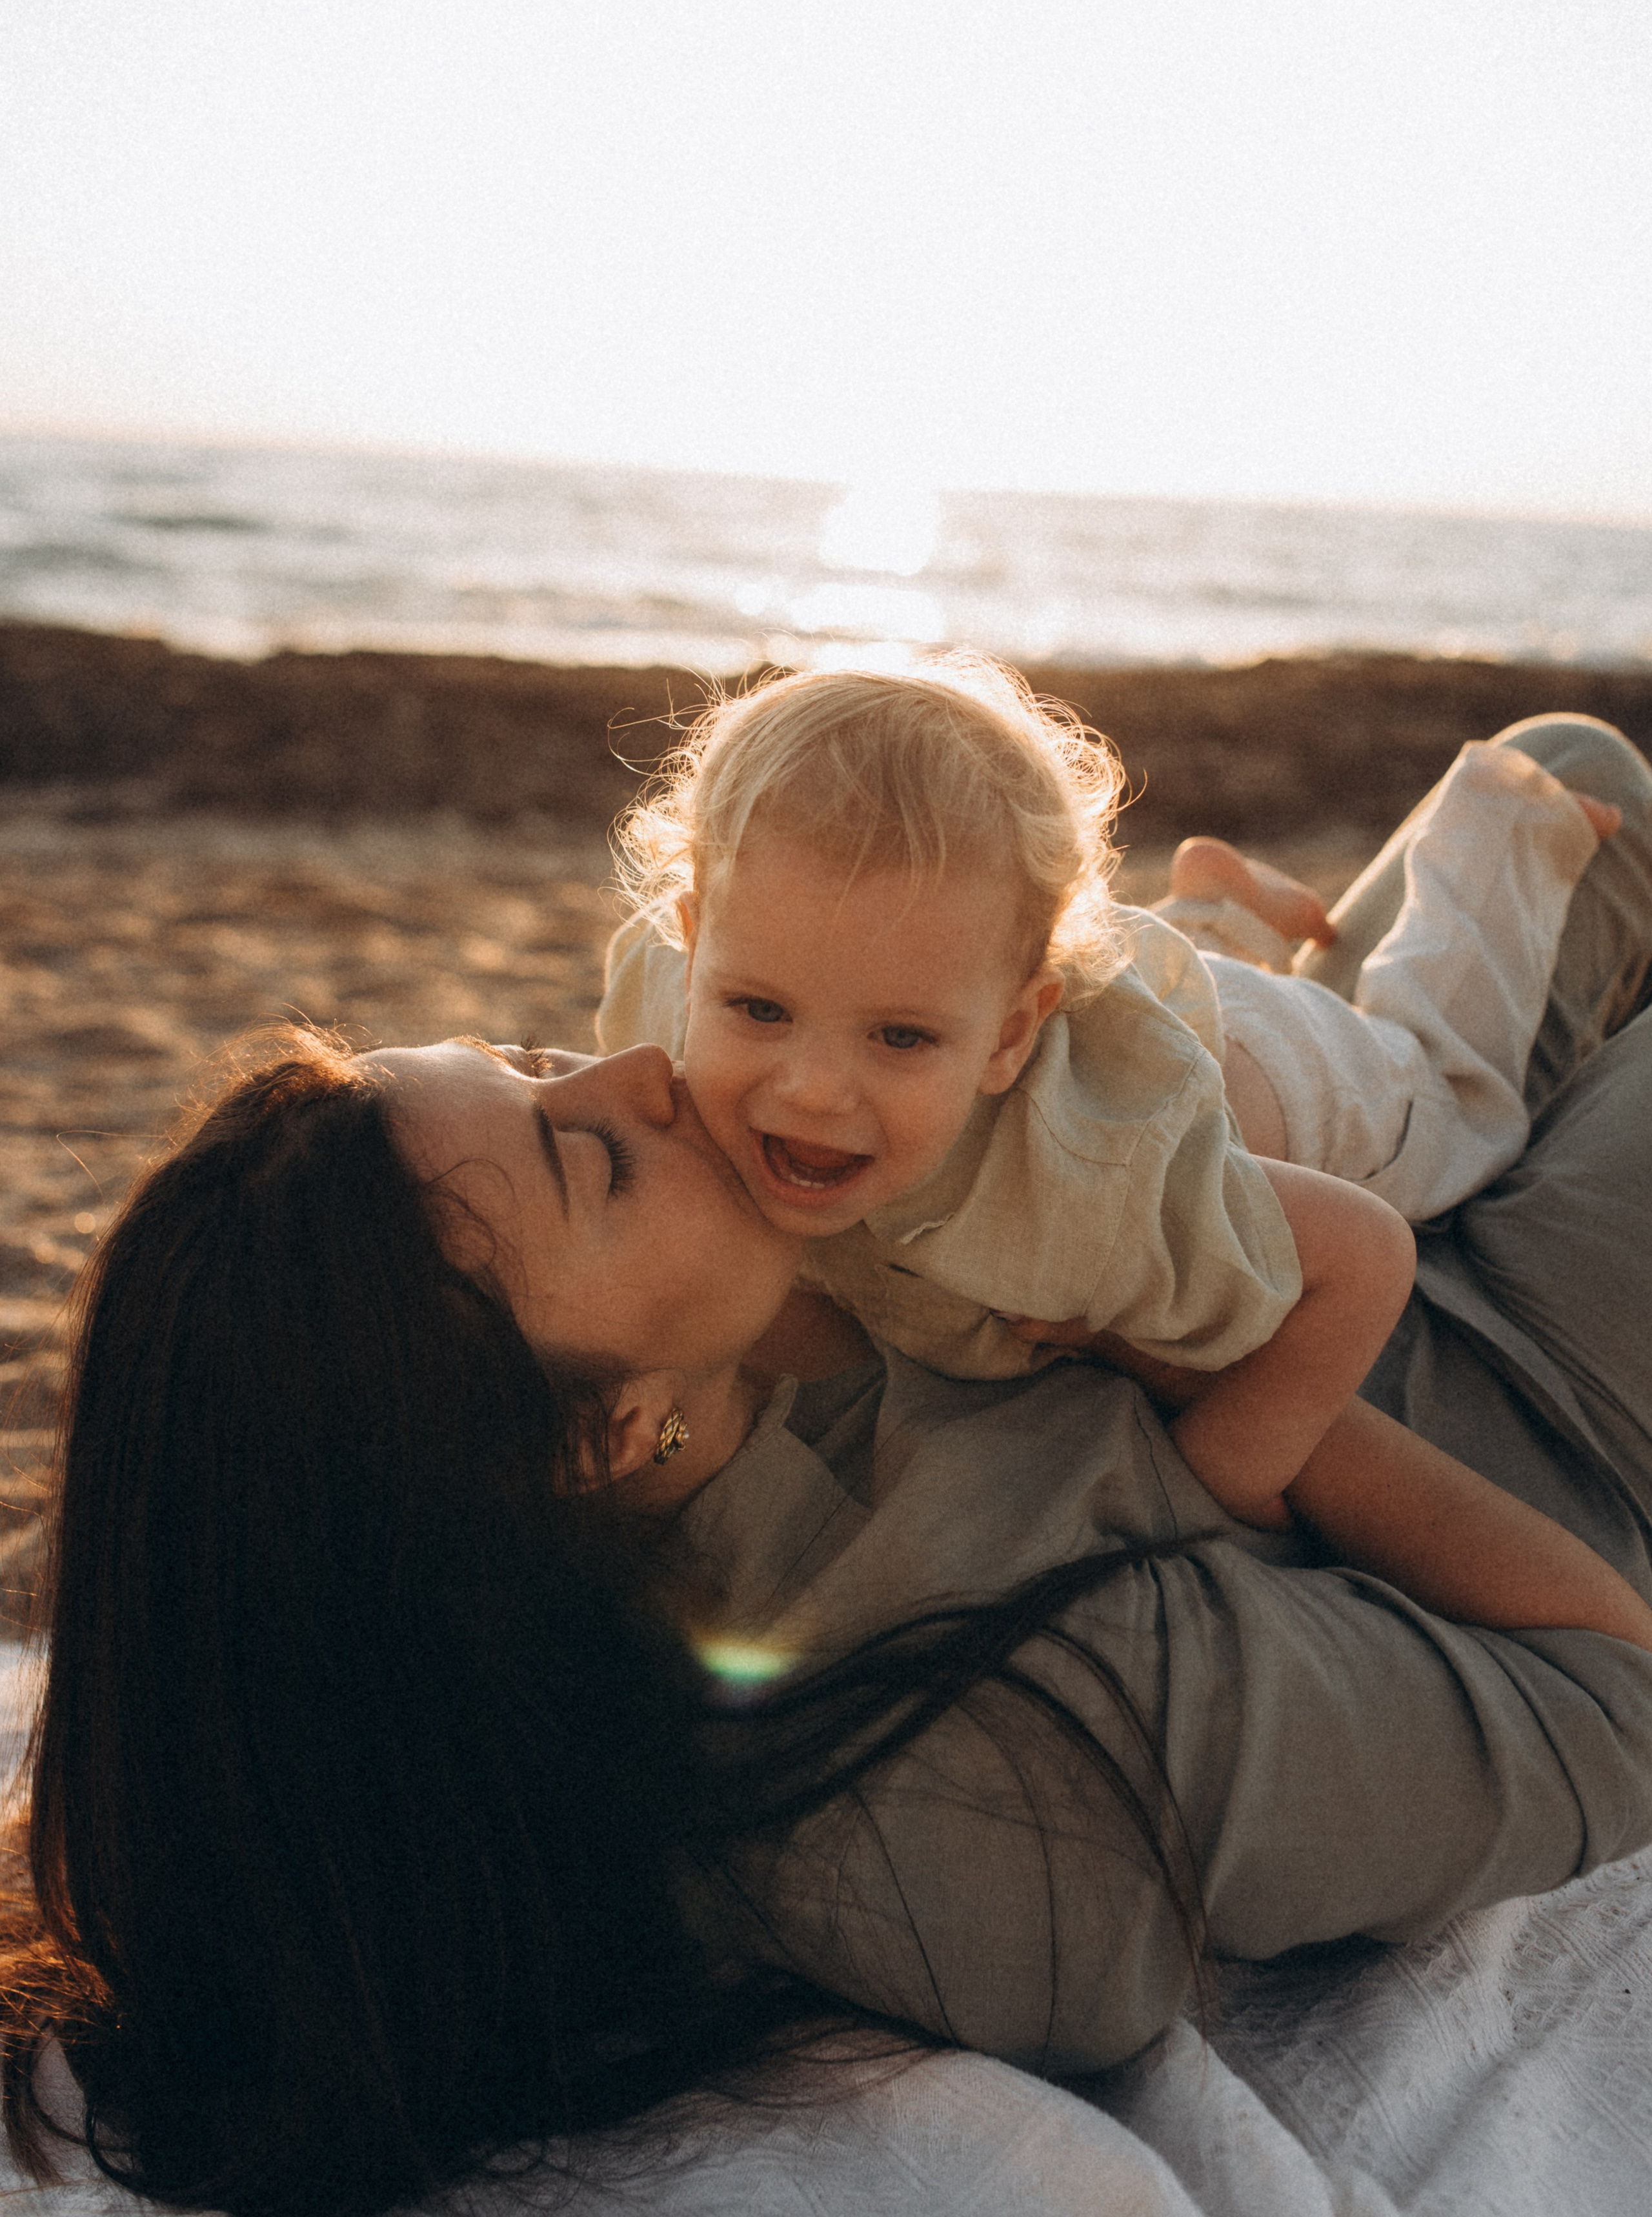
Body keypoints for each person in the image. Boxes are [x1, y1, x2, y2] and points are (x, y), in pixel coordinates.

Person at [4, 710, 1652, 2217]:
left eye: (518, 1062)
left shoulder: (665, 1370)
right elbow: (1611, 1695)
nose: (638, 1068)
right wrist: (1208, 1380)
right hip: (1536, 1404)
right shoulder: (979, 1776)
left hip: (1319, 1228)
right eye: (584, 1153)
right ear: (591, 1431)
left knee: (1573, 771)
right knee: (1574, 812)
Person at [595, 658, 1607, 1525]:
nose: (812, 1091)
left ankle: (1506, 825)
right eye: (760, 1011)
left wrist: (1217, 1480)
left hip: (1275, 1081)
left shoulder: (1100, 1188)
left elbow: (1367, 1259)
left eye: (900, 1037)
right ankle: (1210, 911)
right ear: (692, 950)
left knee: (1447, 1092)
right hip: (1128, 1018)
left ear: (1009, 1038)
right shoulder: (664, 1008)